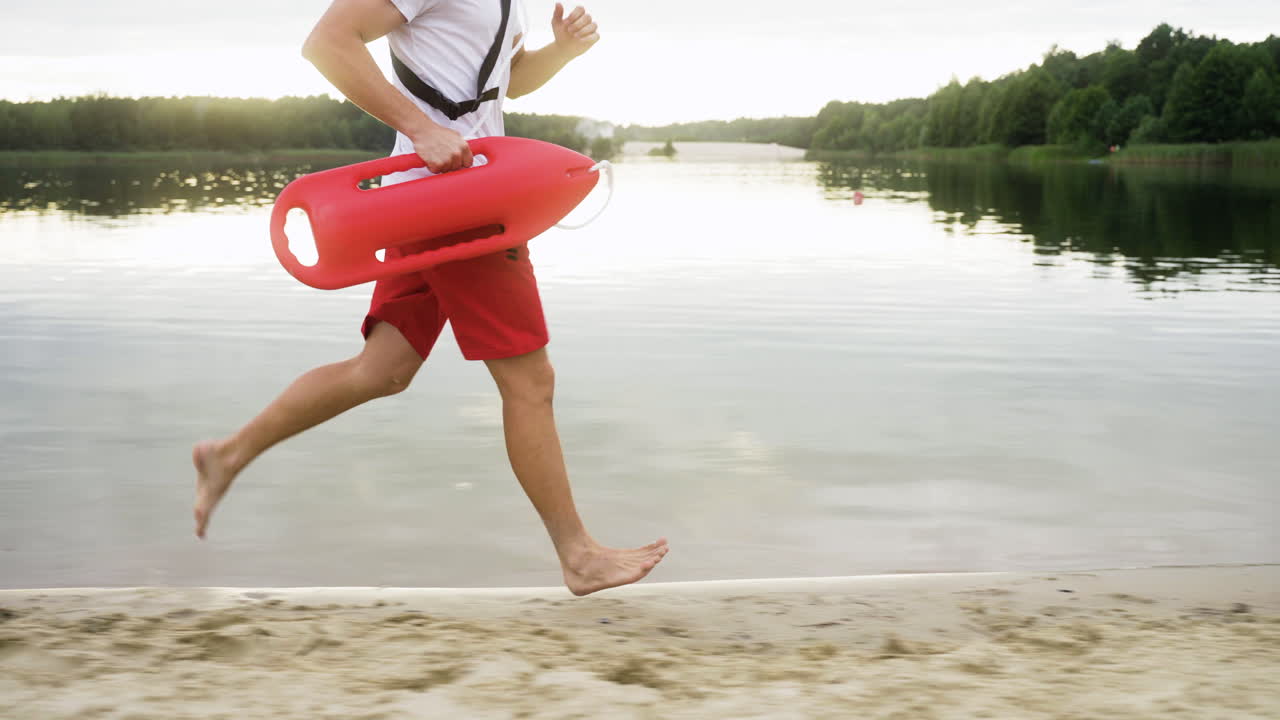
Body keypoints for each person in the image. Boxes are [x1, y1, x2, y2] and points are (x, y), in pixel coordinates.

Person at [191, 0, 668, 596]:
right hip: (455, 205)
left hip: (442, 197)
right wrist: (420, 129)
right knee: (530, 383)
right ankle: (578, 555)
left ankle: (229, 454)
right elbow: (328, 42)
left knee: (381, 370)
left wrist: (562, 52)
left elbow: (508, 83)